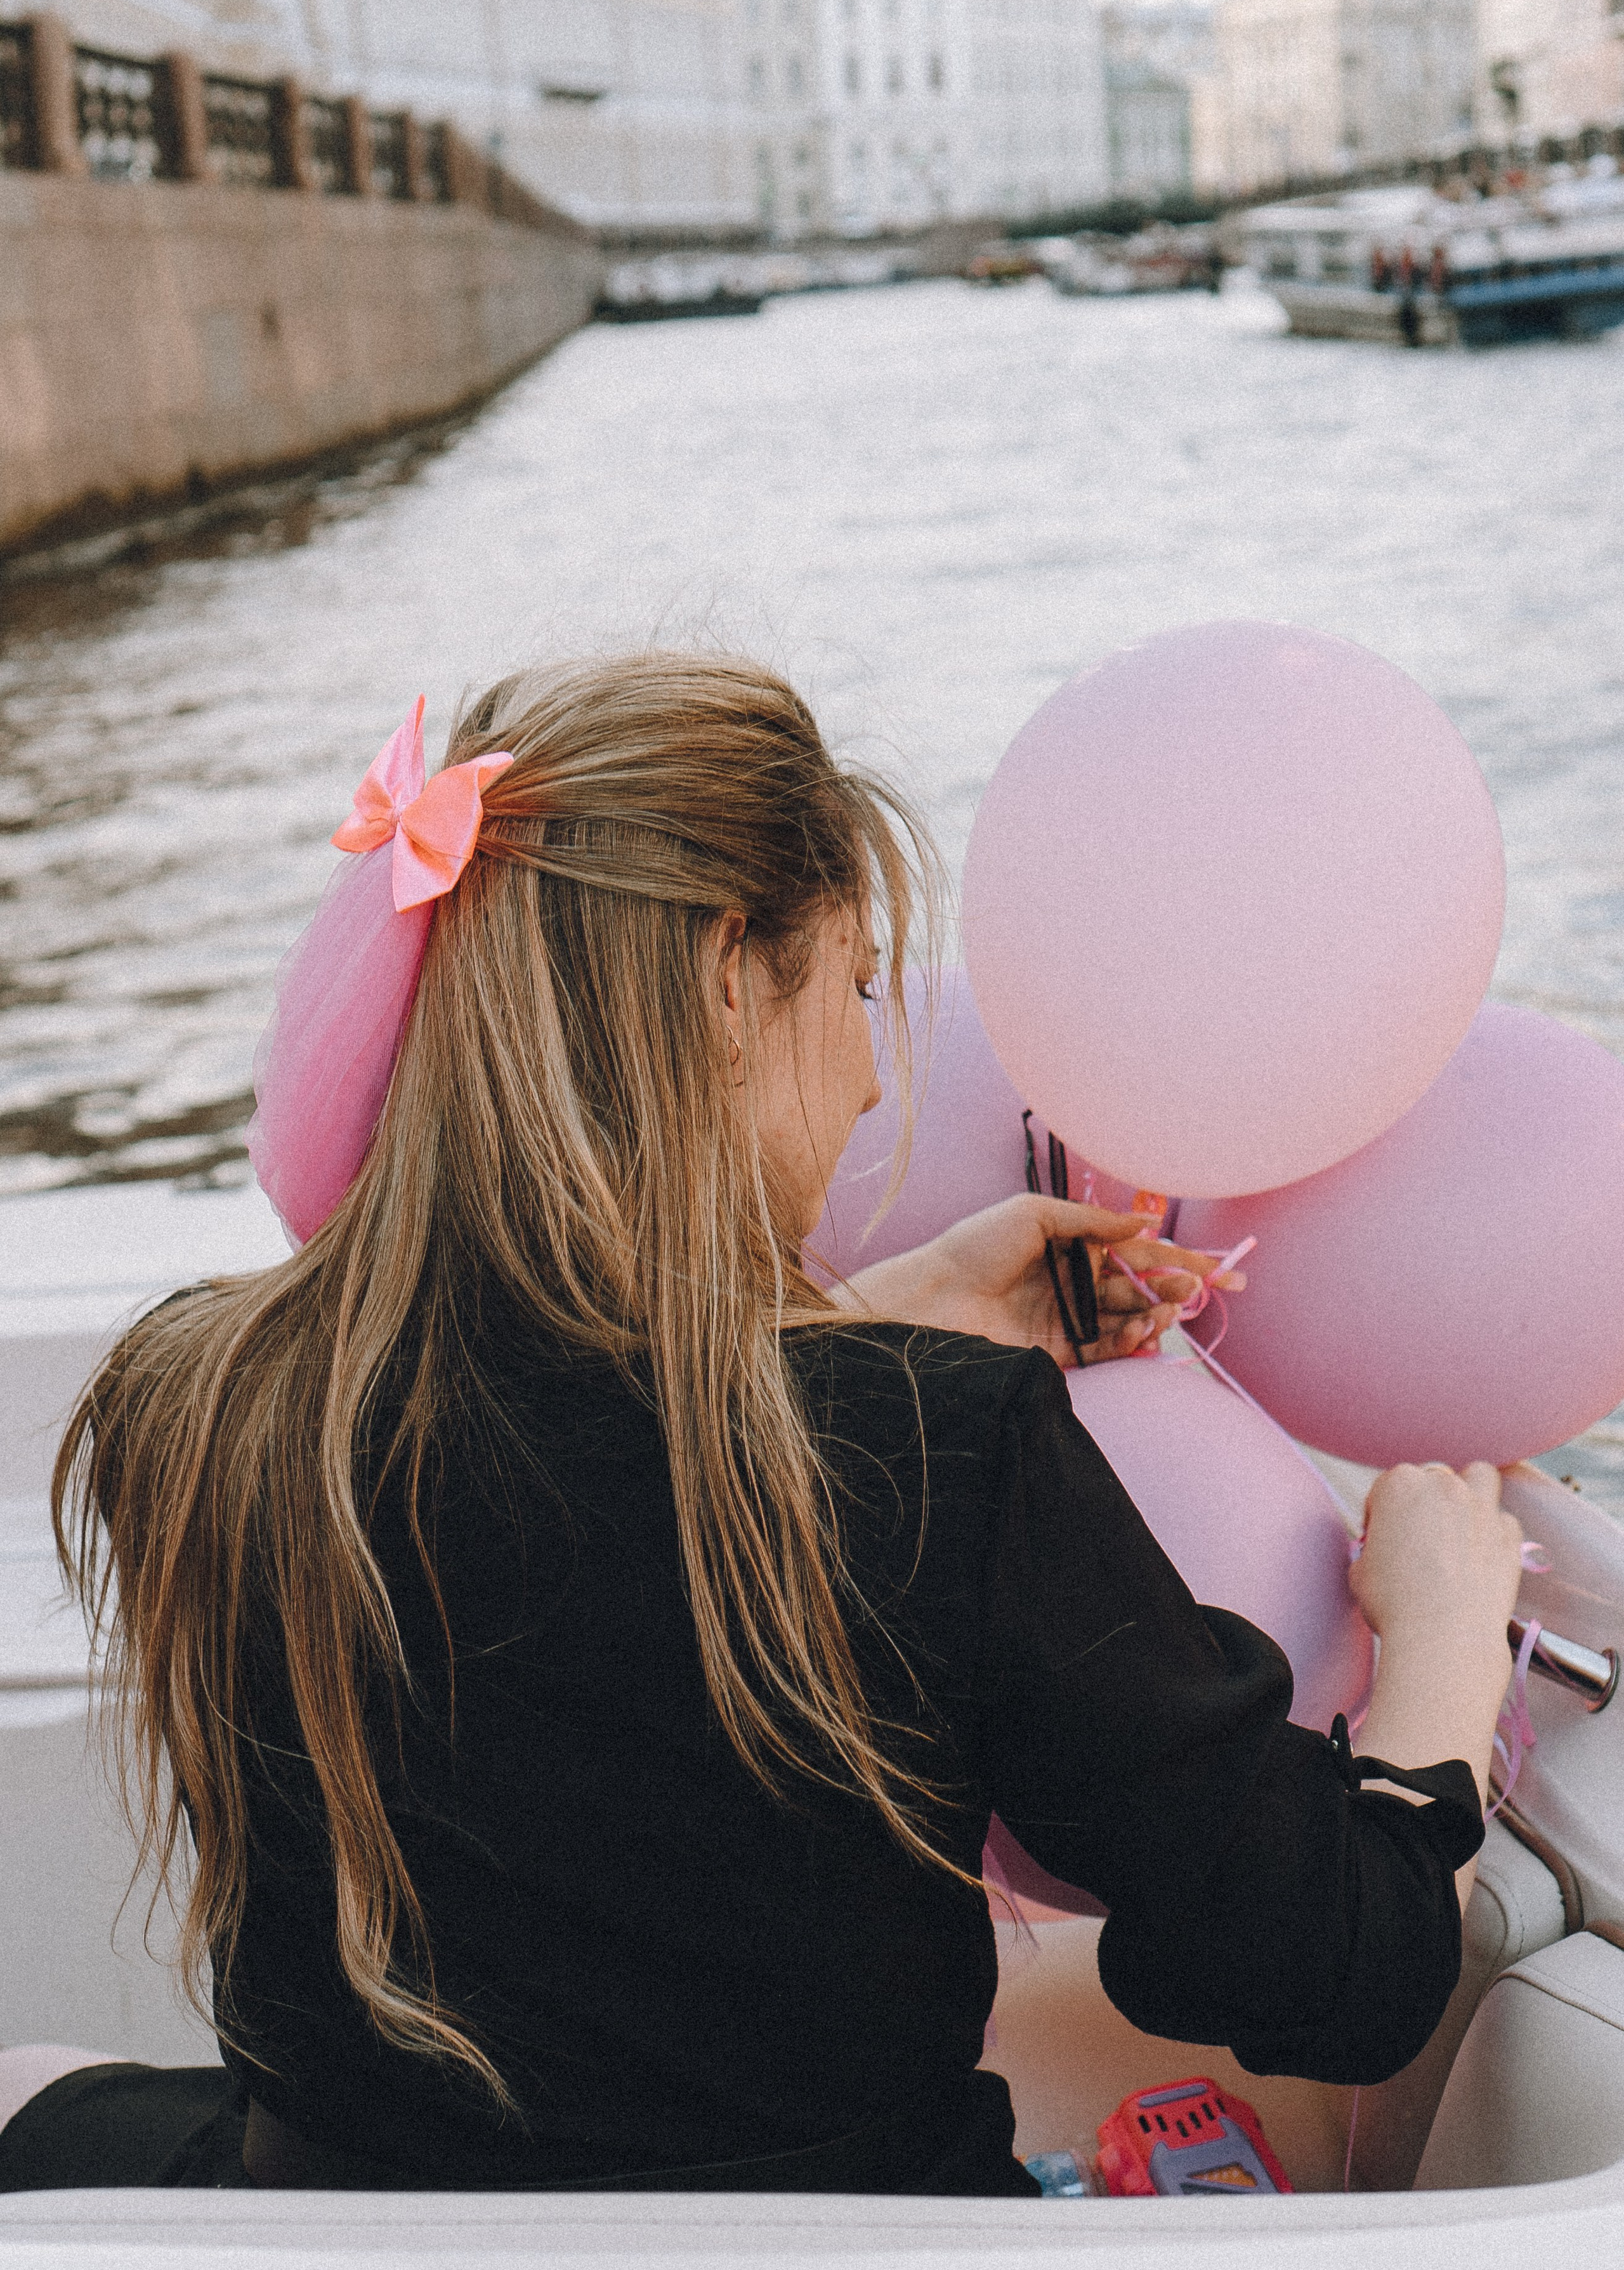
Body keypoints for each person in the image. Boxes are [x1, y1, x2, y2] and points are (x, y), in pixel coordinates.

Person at [1, 654, 1522, 2196]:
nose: (868, 1082)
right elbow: (1329, 1969)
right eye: (856, 986)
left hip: (344, 2223)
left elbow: (571, 1483)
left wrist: (875, 1320)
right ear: (729, 981)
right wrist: (1445, 1640)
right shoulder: (939, 1454)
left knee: (31, 2088)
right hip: (831, 2236)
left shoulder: (190, 1401)